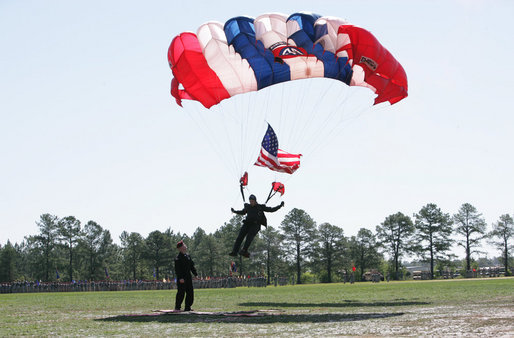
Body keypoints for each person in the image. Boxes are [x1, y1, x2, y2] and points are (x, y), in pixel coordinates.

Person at [174, 240, 197, 312]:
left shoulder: (188, 256)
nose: (185, 245)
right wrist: (180, 278)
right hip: (182, 278)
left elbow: (191, 266)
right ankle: (177, 307)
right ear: (180, 248)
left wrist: (195, 274)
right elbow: (177, 269)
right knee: (181, 293)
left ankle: (188, 307)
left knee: (190, 292)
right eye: (183, 245)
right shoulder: (178, 258)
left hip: (188, 277)